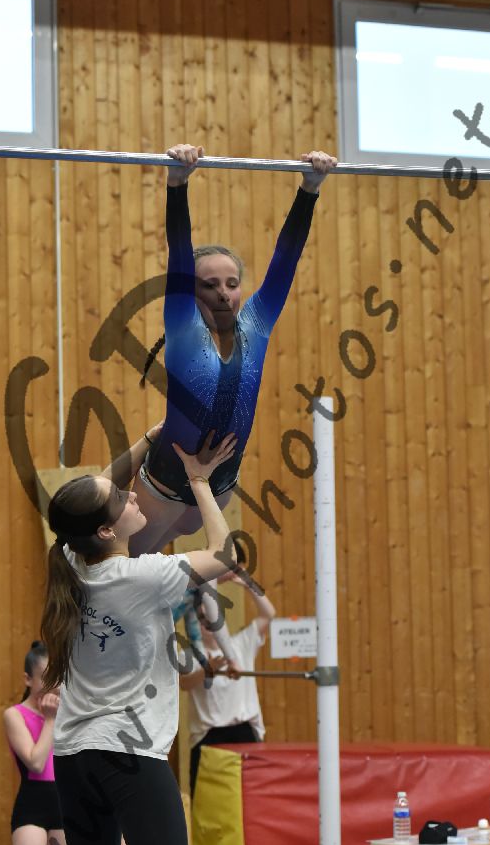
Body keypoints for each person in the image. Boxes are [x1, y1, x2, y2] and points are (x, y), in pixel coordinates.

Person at [41, 430, 238, 845]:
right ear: (106, 531)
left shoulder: (71, 561)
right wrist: (199, 480)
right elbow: (225, 555)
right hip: (126, 751)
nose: (133, 494)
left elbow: (94, 492)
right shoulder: (143, 577)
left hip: (74, 754)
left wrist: (151, 440)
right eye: (122, 500)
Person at [129, 142, 337, 558]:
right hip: (166, 484)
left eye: (231, 283)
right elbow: (179, 252)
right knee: (127, 572)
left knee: (186, 577)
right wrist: (177, 185)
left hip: (220, 483)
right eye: (209, 285)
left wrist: (309, 190)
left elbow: (286, 259)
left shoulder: (257, 324)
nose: (223, 293)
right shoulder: (183, 326)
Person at [182, 543, 276, 795]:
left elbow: (268, 614)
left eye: (213, 618)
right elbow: (184, 684)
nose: (208, 623)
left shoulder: (241, 643)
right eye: (202, 619)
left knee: (251, 799)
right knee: (207, 801)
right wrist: (207, 670)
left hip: (244, 730)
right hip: (209, 736)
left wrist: (245, 581)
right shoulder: (189, 655)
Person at [4, 641, 65, 845]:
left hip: (63, 806)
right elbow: (36, 763)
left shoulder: (68, 716)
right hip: (33, 807)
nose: (54, 686)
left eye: (58, 677)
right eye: (46, 678)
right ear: (28, 679)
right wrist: (51, 721)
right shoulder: (15, 715)